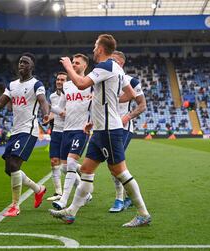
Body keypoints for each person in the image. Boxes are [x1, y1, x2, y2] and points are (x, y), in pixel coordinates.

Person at [50, 34, 151, 227]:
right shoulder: (117, 69)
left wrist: (68, 67)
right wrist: (100, 115)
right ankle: (71, 212)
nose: (94, 48)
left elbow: (80, 84)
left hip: (108, 129)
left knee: (120, 171)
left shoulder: (104, 67)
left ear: (102, 48)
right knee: (86, 170)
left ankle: (143, 213)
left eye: (95, 45)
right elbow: (129, 94)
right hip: (100, 128)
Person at [0, 53, 50, 217]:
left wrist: (46, 114)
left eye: (25, 63)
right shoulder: (12, 85)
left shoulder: (36, 84)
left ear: (31, 67)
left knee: (14, 165)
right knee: (9, 169)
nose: (21, 64)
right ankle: (38, 189)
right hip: (16, 130)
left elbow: (42, 100)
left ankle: (14, 206)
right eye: (20, 62)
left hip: (29, 130)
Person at [49, 54, 94, 210]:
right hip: (66, 130)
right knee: (64, 167)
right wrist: (55, 110)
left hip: (81, 130)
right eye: (72, 62)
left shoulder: (91, 83)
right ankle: (85, 193)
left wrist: (92, 121)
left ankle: (64, 200)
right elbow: (59, 107)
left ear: (85, 66)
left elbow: (97, 105)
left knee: (71, 164)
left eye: (77, 63)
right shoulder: (67, 86)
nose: (74, 65)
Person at [108, 50, 147, 213]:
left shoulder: (131, 81)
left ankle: (119, 199)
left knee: (114, 164)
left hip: (123, 128)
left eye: (114, 60)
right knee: (112, 165)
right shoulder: (105, 78)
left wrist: (127, 117)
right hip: (106, 126)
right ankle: (130, 194)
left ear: (121, 63)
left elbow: (142, 105)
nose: (110, 63)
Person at [46, 72, 66, 201]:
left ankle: (85, 179)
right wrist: (48, 118)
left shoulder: (71, 95)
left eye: (62, 80)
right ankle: (58, 192)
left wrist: (52, 109)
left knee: (67, 165)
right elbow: (56, 113)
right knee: (54, 162)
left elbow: (64, 113)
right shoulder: (52, 96)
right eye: (58, 79)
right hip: (56, 131)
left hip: (69, 131)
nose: (59, 82)